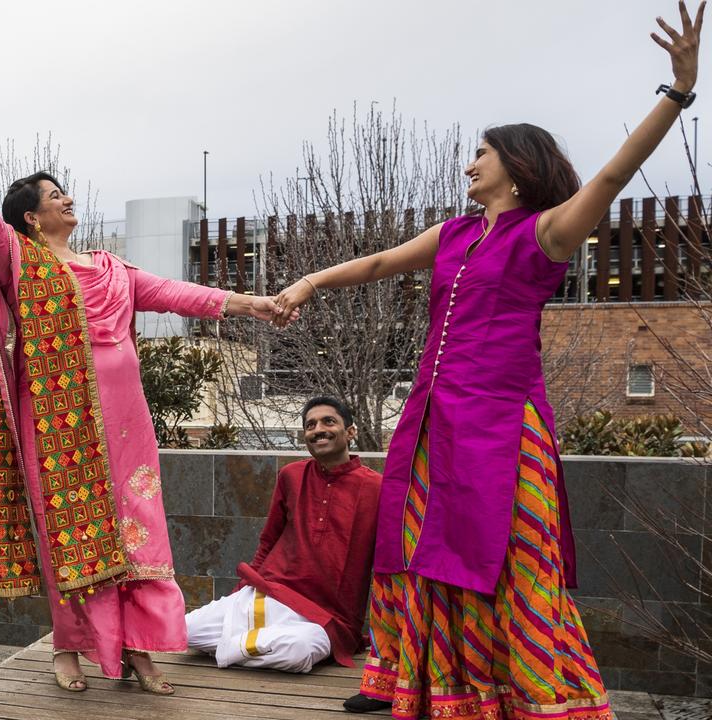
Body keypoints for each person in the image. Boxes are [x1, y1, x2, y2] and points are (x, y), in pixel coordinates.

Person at [274, 6, 704, 716]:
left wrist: (677, 93)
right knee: (425, 558)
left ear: (516, 163)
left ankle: (528, 693)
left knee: (512, 562)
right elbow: (381, 260)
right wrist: (312, 282)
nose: (469, 163)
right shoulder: (455, 233)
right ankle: (438, 687)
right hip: (433, 421)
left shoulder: (547, 232)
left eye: (482, 151)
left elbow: (611, 176)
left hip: (504, 424)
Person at [0, 85, 291, 694]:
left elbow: (181, 294)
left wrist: (254, 304)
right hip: (59, 424)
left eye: (66, 193)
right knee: (69, 528)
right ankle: (70, 644)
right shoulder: (20, 260)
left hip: (127, 421)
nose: (68, 199)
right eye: (54, 196)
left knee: (138, 524)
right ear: (32, 218)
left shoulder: (114, 269)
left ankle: (140, 647)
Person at [185, 396, 381, 673]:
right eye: (310, 425)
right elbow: (269, 539)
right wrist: (244, 587)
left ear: (350, 432)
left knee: (296, 653)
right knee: (186, 631)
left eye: (329, 421)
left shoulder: (376, 488)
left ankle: (231, 647)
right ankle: (246, 646)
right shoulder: (292, 475)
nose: (318, 429)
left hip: (325, 615)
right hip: (270, 592)